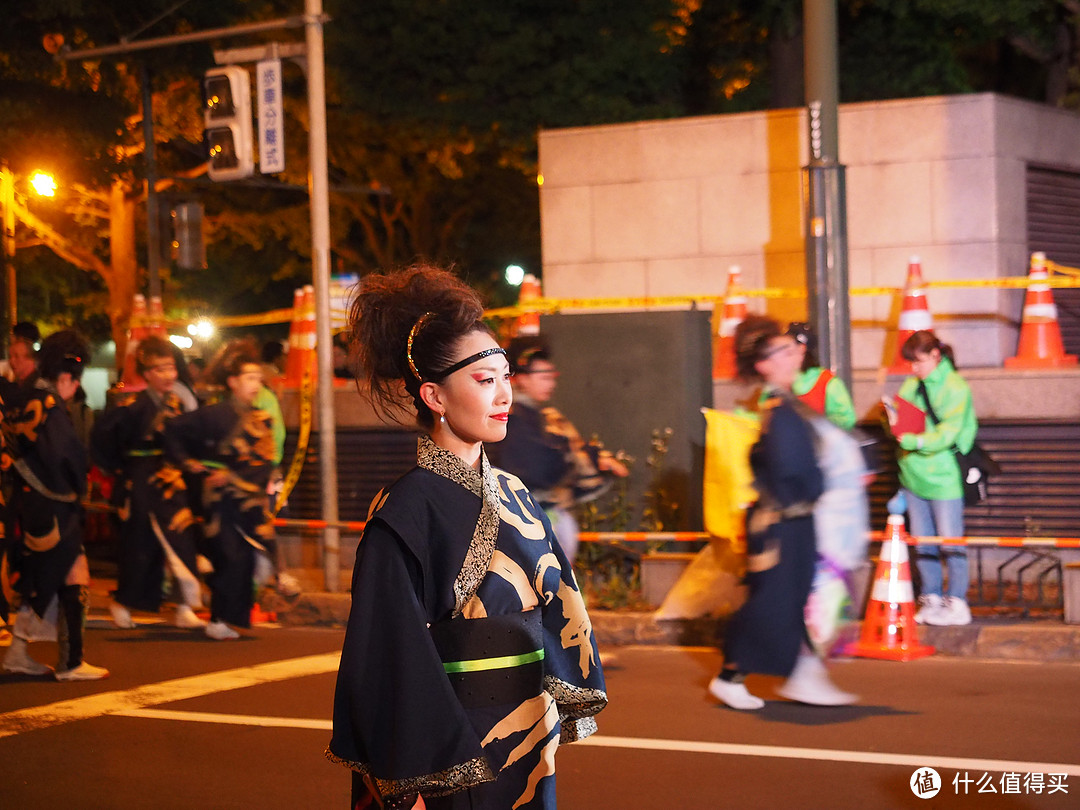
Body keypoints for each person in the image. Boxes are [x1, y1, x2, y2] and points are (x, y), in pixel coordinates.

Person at [327, 264, 607, 810]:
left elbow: (558, 606)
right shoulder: (403, 509)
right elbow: (389, 654)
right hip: (455, 746)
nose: (503, 394)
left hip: (530, 731)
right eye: (484, 381)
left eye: (505, 377)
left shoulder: (515, 490)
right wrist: (419, 780)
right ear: (433, 395)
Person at [707, 315, 854, 710]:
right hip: (781, 523)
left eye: (794, 347)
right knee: (774, 603)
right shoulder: (779, 409)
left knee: (790, 598)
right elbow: (790, 470)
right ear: (763, 364)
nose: (795, 353)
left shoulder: (785, 406)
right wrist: (818, 485)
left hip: (792, 520)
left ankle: (806, 675)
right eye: (784, 350)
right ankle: (730, 676)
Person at [1, 330, 109, 680]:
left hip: (33, 504)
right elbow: (66, 458)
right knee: (55, 576)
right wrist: (82, 485)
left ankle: (27, 653)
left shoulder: (26, 397)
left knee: (49, 576)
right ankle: (70, 662)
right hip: (54, 506)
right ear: (67, 378)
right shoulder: (52, 407)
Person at [163, 340, 284, 640]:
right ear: (232, 382)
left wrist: (235, 477)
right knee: (228, 558)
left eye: (258, 378)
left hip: (251, 503)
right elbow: (173, 431)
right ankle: (218, 618)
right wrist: (192, 465)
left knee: (245, 560)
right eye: (249, 378)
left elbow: (263, 461)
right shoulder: (213, 415)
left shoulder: (262, 418)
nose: (256, 384)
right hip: (221, 503)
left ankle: (232, 619)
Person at [91, 335, 205, 630]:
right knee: (140, 547)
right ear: (146, 374)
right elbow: (103, 441)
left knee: (182, 541)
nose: (168, 376)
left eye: (171, 368)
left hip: (171, 481)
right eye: (159, 370)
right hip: (140, 479)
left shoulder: (177, 402)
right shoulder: (128, 405)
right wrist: (120, 470)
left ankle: (184, 605)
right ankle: (123, 602)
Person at [485, 337, 628, 565]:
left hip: (544, 514)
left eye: (552, 376)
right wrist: (578, 457)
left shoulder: (542, 418)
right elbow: (538, 468)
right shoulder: (512, 417)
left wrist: (586, 457)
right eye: (543, 376)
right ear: (520, 379)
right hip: (522, 518)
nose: (550, 383)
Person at [887, 330, 977, 627]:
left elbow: (950, 432)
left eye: (919, 362)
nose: (914, 368)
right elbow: (903, 415)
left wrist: (915, 441)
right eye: (911, 363)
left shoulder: (955, 387)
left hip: (943, 477)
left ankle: (957, 601)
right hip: (913, 475)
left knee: (951, 542)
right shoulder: (913, 384)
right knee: (924, 543)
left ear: (936, 356)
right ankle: (932, 598)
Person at [784, 322, 857, 430]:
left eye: (786, 348)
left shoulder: (827, 382)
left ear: (801, 349)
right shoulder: (777, 379)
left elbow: (847, 419)